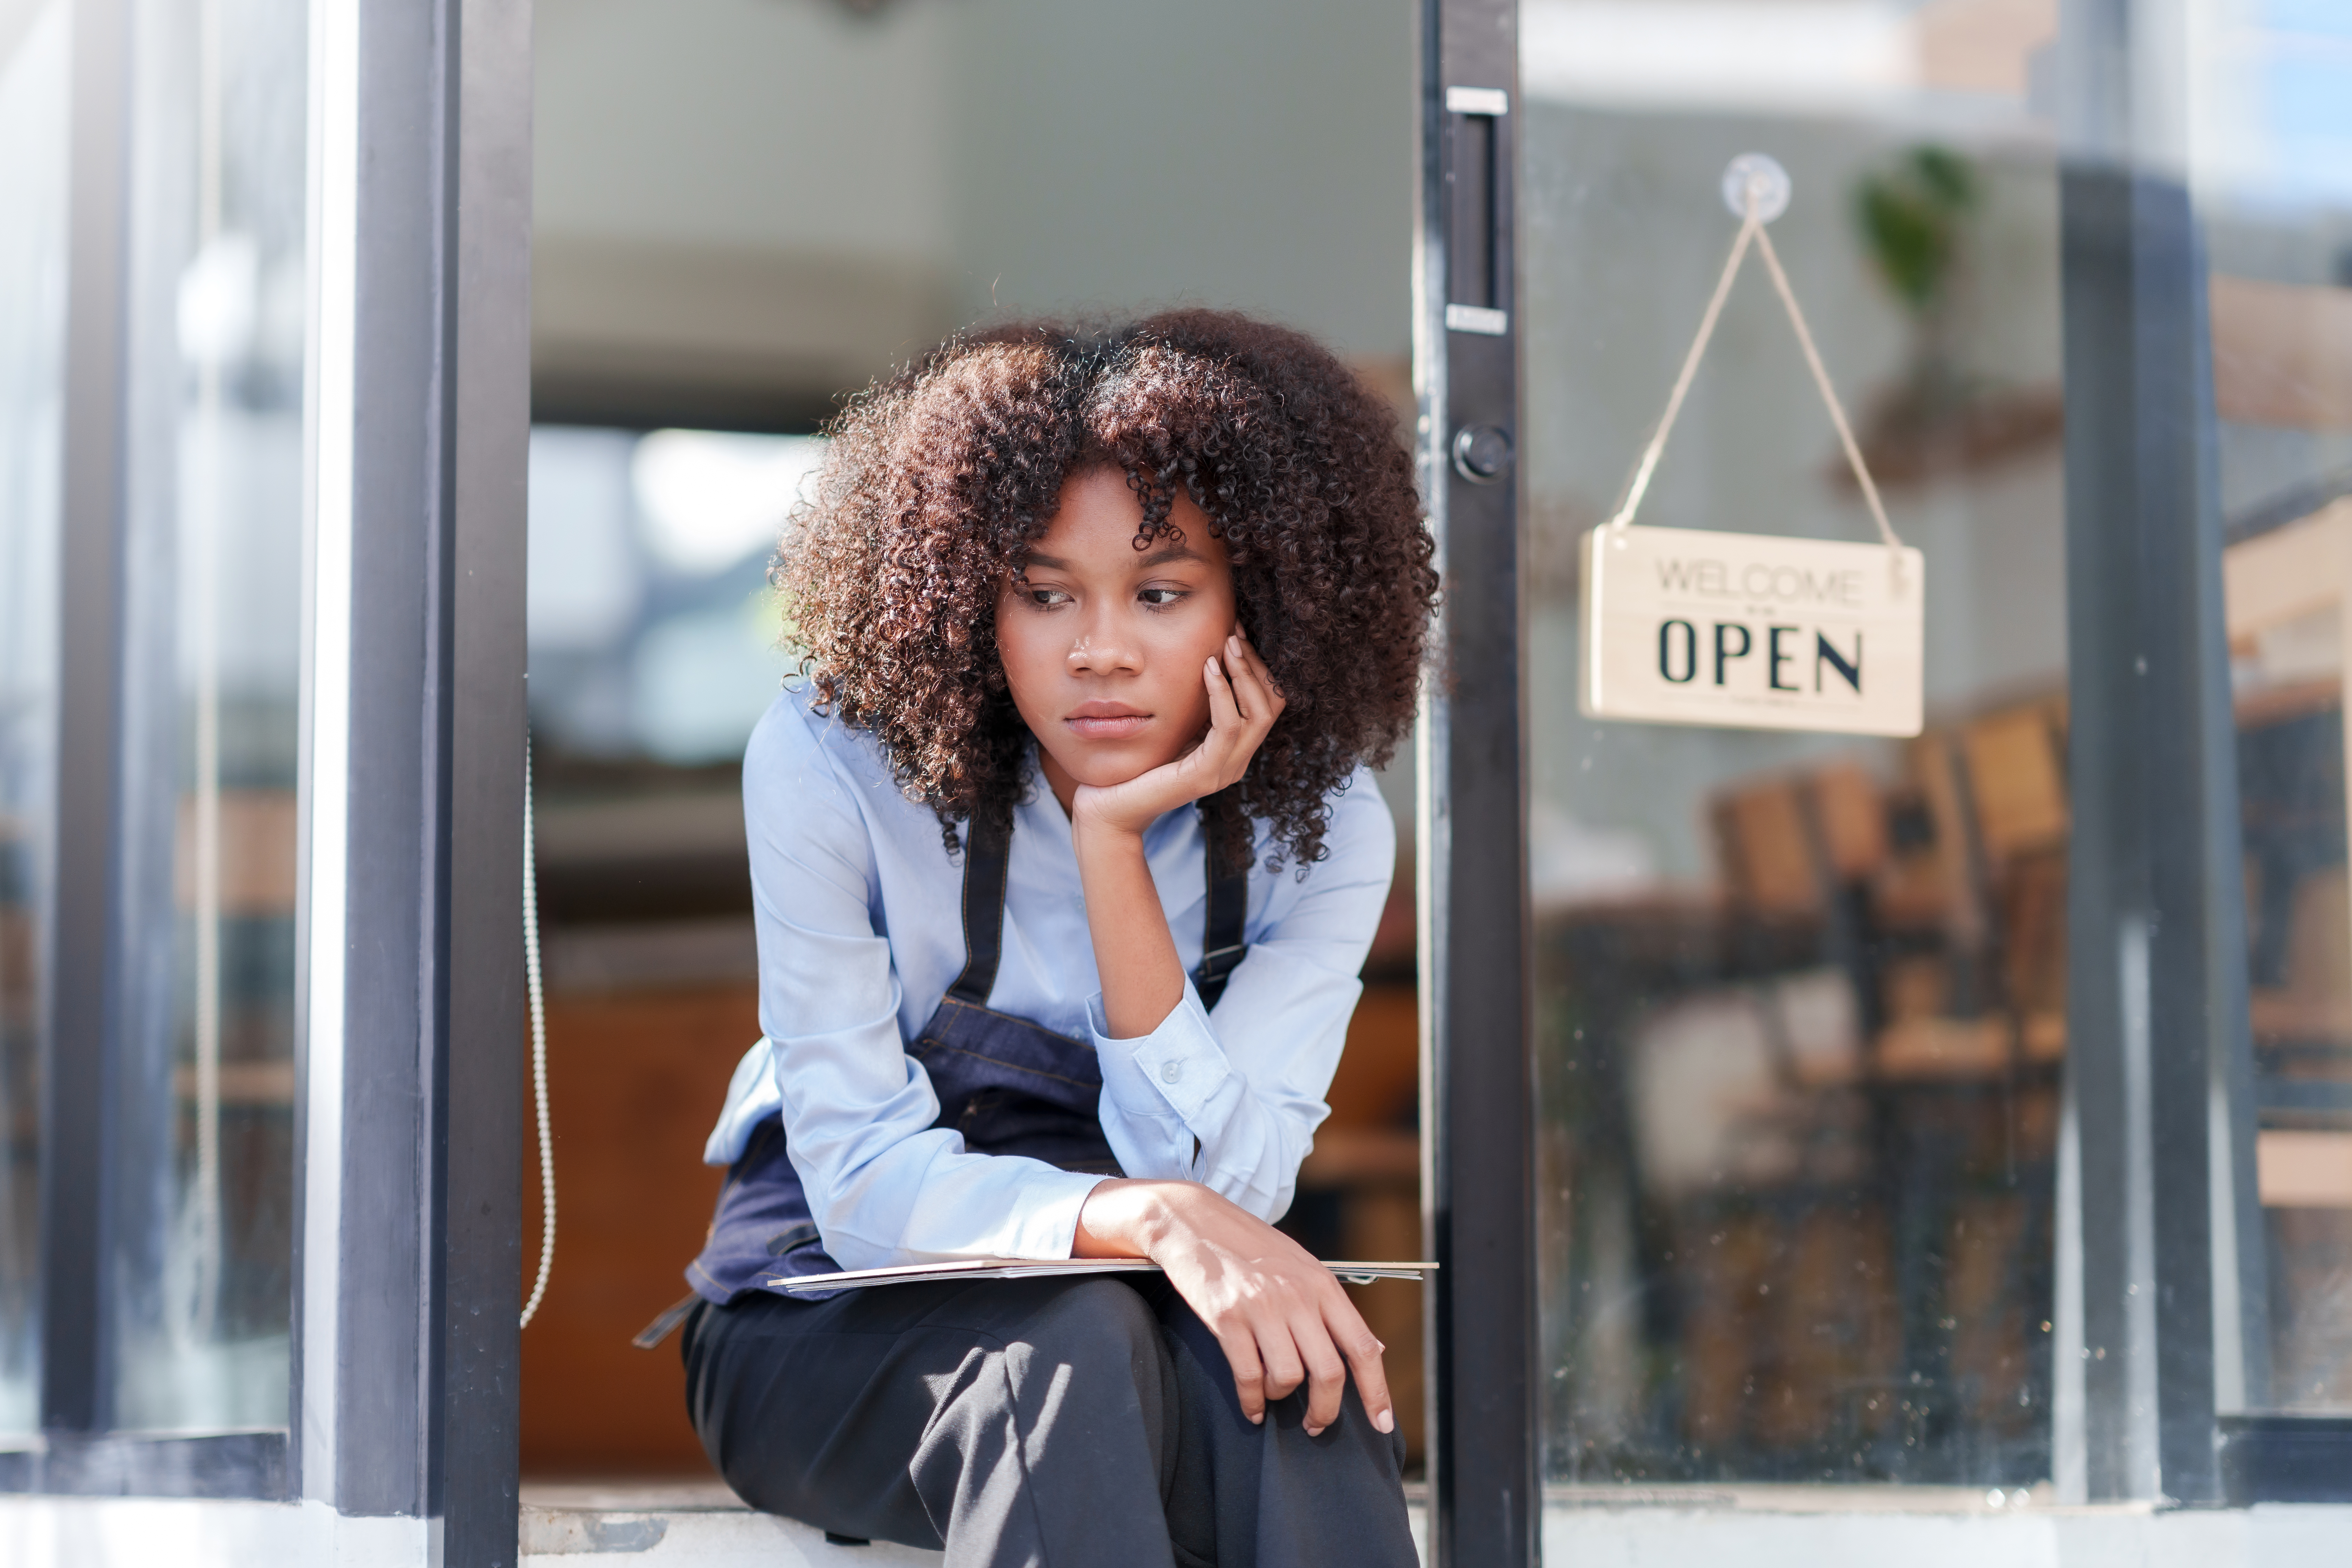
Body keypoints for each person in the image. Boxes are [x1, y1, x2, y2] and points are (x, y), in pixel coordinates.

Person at [675, 309, 1439, 1568]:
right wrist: (1144, 1221)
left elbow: (1230, 1190)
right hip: (829, 1325)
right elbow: (862, 1188)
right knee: (1073, 1342)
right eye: (1043, 593)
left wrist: (1112, 849)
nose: (1099, 650)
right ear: (970, 598)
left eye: (1160, 592)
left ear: (1263, 604)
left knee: (1306, 1369)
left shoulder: (1327, 831)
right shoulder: (830, 766)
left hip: (1140, 1318)